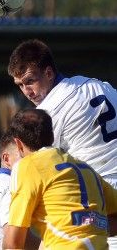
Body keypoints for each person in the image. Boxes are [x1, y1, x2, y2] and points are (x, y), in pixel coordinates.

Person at [7, 38, 117, 187]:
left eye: (30, 81)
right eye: (20, 85)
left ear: (49, 73)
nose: (27, 91)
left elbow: (35, 167)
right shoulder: (99, 85)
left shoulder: (46, 113)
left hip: (101, 190)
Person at [3, 108, 117, 250]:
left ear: (18, 143)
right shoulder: (85, 169)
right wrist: (90, 226)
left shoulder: (27, 166)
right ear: (52, 136)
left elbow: (13, 243)